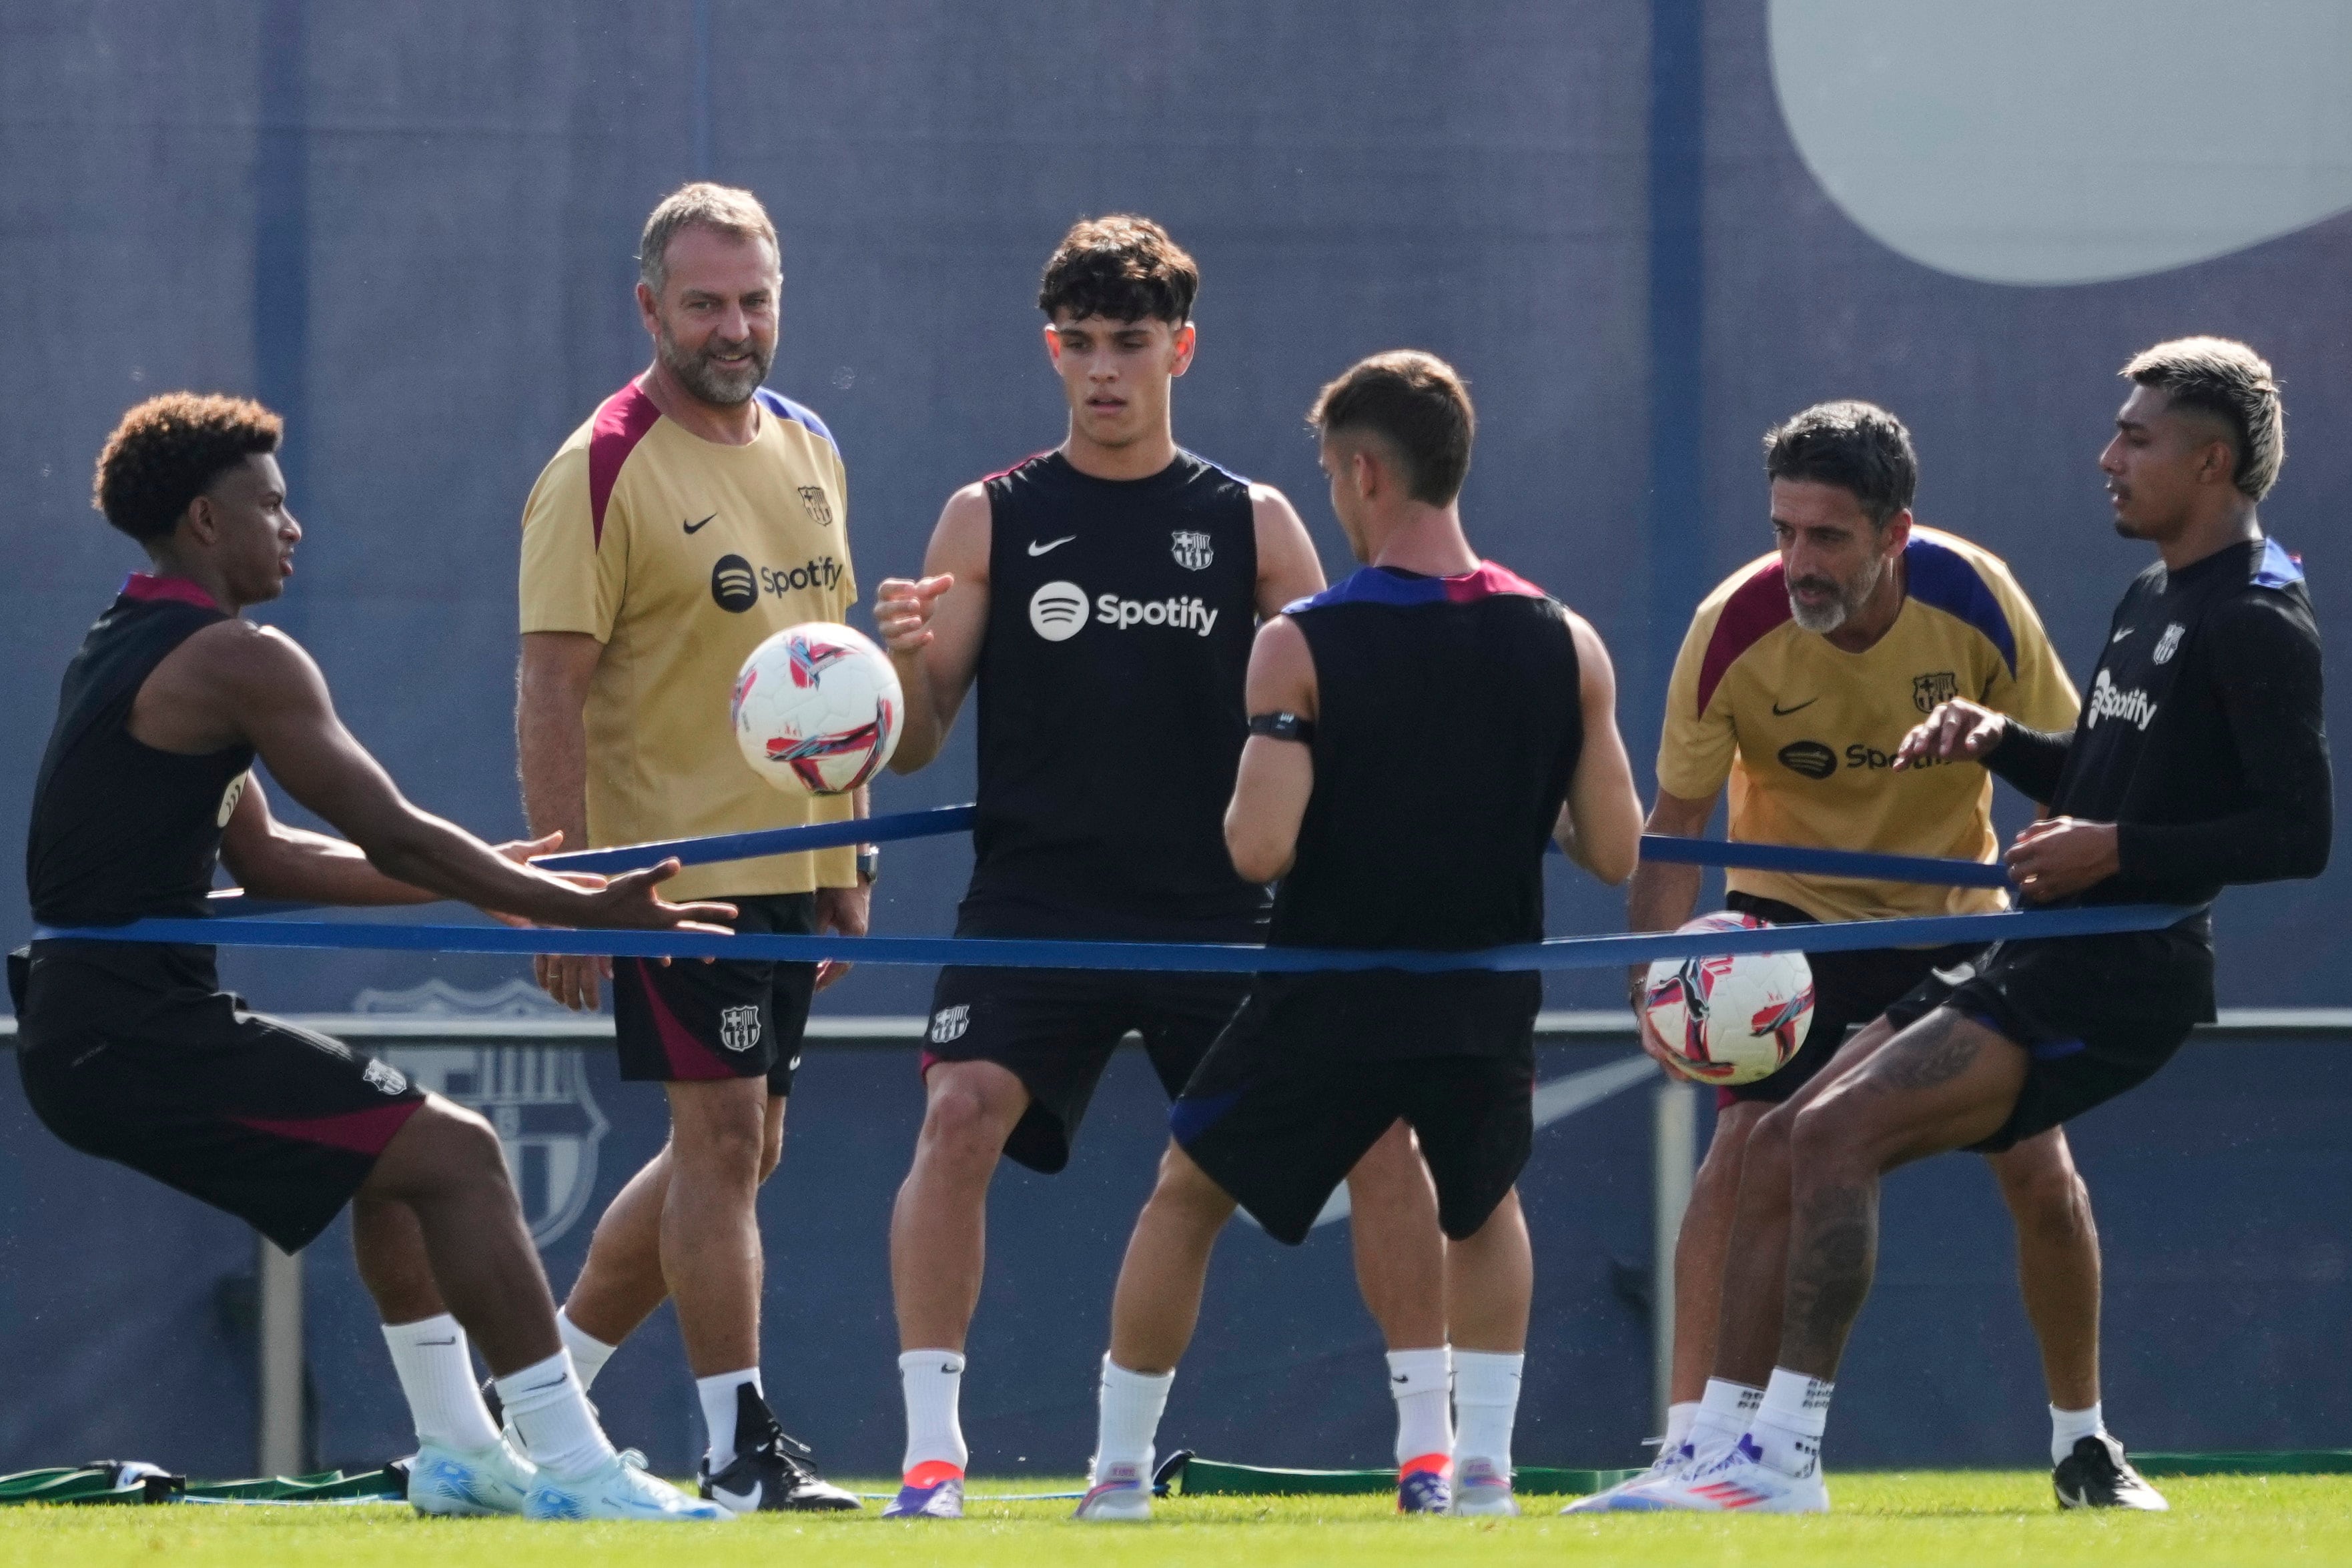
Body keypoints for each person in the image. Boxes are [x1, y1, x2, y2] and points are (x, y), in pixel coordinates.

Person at [1635, 338, 2330, 1513]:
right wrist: (1998, 741)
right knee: (1780, 1139)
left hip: (2083, 960)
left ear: (2211, 462)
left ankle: (1838, 1457)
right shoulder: (2156, 590)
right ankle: (1710, 1454)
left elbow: (2293, 834)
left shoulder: (2253, 616)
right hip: (1944, 943)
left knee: (1877, 1148)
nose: (2107, 456)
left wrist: (2104, 850)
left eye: (2136, 437)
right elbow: (2104, 768)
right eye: (1782, 532)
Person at [15, 393, 731, 1521]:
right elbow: (393, 828)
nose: (293, 528)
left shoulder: (129, 637)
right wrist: (570, 907)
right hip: (127, 1029)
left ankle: (460, 1456)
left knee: (396, 1164)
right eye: (272, 506)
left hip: (95, 1029)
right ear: (206, 520)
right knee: (459, 1153)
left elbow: (274, 859)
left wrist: (494, 878)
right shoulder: (239, 660)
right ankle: (577, 1469)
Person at [871, 219, 1453, 1519]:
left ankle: (1431, 1447)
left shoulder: (1250, 520)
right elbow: (913, 746)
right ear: (1051, 353)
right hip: (1035, 897)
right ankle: (928, 1458)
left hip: (1221, 906)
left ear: (1178, 347)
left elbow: (1345, 698)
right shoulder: (989, 512)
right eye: (1077, 345)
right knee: (956, 1112)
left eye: (1128, 343)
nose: (1102, 371)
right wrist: (905, 657)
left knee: (1374, 1135)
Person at [1071, 350, 1645, 1523]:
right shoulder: (1566, 641)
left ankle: (1118, 1476)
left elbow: (1257, 849)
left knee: (1184, 1192)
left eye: (1334, 472)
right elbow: (1616, 850)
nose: (1333, 492)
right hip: (1480, 1000)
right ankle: (1481, 1473)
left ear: (1365, 470)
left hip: (1328, 997)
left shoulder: (1299, 641)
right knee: (1483, 1204)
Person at [1578, 401, 2144, 1509]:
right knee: (1743, 1144)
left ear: (1894, 532)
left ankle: (2085, 1447)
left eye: (1826, 535)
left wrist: (2080, 891)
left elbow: (2081, 772)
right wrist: (1653, 983)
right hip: (1788, 917)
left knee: (2038, 1172)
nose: (1796, 559)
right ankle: (1693, 1450)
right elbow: (1679, 817)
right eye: (1783, 529)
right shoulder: (1731, 625)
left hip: (1951, 917)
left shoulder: (1974, 599)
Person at [514, 182, 863, 1512]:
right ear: (649, 304)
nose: (733, 325)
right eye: (705, 301)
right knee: (718, 1144)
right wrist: (566, 888)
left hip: (790, 872)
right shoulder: (597, 462)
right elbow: (551, 685)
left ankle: (525, 1404)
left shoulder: (811, 442)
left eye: (754, 300)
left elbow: (829, 676)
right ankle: (738, 1451)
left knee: (741, 1150)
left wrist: (844, 862)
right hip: (667, 888)